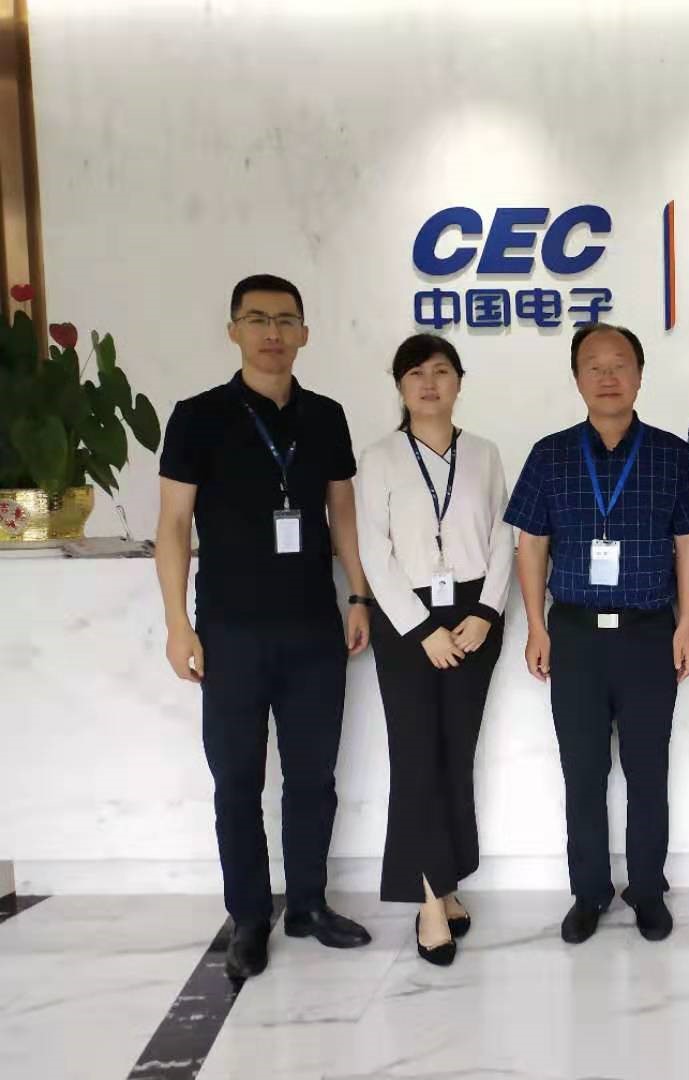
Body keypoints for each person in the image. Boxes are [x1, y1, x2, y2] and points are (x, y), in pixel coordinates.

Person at [155, 274, 373, 980]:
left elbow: (343, 514)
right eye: (257, 319)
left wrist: (359, 595)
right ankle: (249, 917)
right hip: (230, 632)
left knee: (313, 778)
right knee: (237, 780)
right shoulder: (197, 417)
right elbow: (173, 524)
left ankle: (307, 903)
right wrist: (178, 625)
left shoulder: (327, 417)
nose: (272, 333)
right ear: (234, 331)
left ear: (305, 333)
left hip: (313, 629)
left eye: (285, 320)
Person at [505, 322, 689, 945]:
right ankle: (588, 891)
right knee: (583, 773)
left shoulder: (671, 453)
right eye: (594, 365)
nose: (608, 376)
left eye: (620, 364)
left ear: (640, 376)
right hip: (575, 635)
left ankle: (647, 889)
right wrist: (536, 626)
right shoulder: (550, 454)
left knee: (647, 772)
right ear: (577, 378)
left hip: (648, 634)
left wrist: (687, 623)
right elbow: (531, 545)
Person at [356, 333, 513, 966]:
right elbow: (373, 551)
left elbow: (503, 537)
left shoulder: (484, 454)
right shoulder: (380, 457)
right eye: (416, 373)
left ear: (459, 382)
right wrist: (422, 629)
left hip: (473, 617)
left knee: (455, 755)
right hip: (407, 623)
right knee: (417, 755)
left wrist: (486, 613)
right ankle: (427, 899)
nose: (429, 383)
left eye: (441, 371)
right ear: (400, 385)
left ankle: (446, 882)